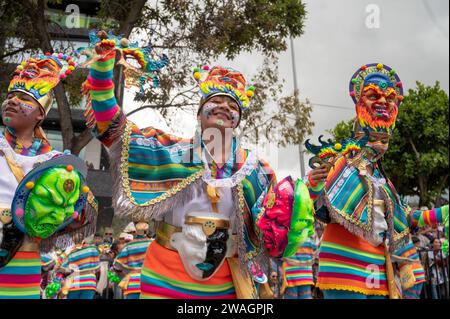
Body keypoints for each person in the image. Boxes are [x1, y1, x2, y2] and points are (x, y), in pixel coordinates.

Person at [79, 30, 311, 299]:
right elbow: (112, 129)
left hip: (225, 283)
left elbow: (277, 226)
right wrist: (101, 75)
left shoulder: (257, 170)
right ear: (200, 112)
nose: (224, 106)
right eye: (216, 101)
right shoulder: (171, 151)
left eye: (232, 104)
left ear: (237, 119)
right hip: (164, 276)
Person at [303, 63, 447, 299]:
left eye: (385, 139)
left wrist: (443, 213)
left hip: (379, 271)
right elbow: (311, 202)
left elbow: (406, 217)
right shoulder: (341, 163)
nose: (381, 144)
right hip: (343, 268)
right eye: (373, 96)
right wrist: (312, 184)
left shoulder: (383, 180)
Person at [0, 54, 97, 299]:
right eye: (10, 96)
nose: (12, 101)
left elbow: (79, 213)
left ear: (40, 115)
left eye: (23, 99)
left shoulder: (56, 163)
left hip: (22, 263)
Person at [113, 221, 152, 299]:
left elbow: (117, 266)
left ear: (136, 231)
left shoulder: (129, 245)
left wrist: (122, 273)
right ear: (146, 230)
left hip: (133, 283)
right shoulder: (152, 244)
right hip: (150, 283)